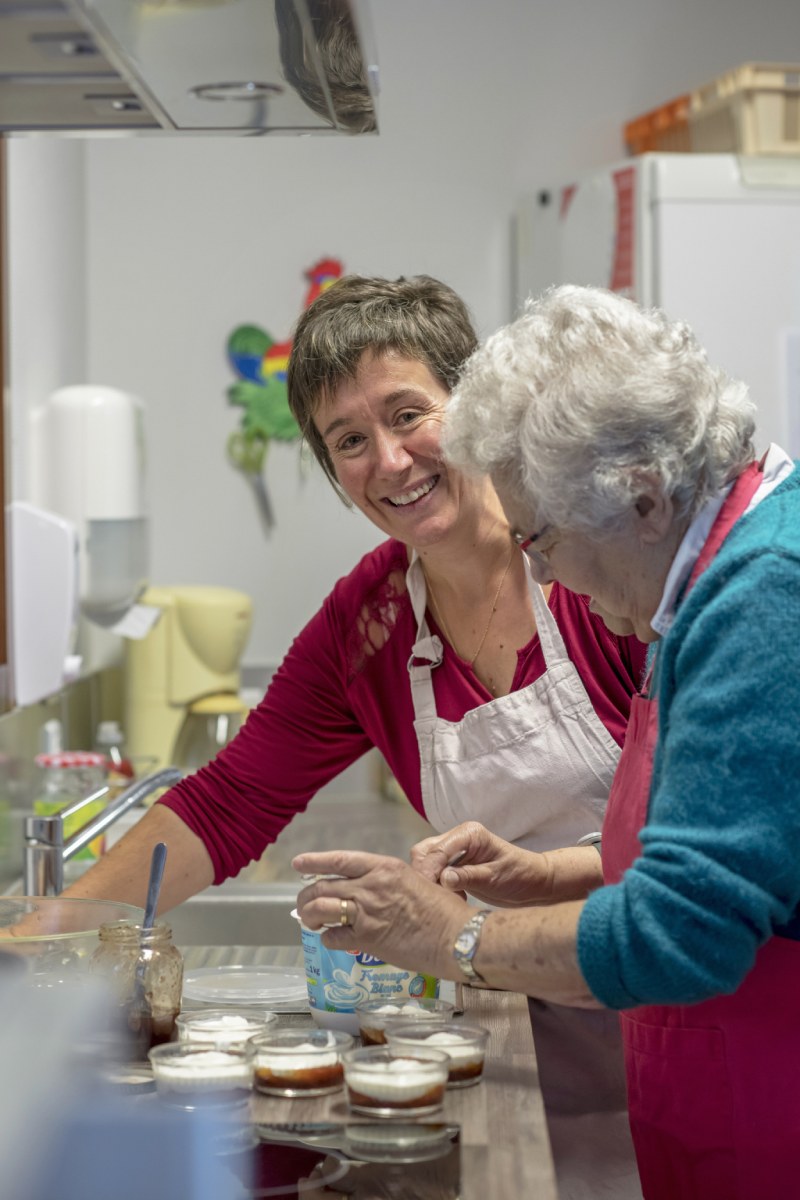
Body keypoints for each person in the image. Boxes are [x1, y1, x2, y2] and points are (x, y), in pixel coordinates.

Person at [64, 275, 646, 1192]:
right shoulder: (369, 623)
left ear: (476, 403)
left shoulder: (597, 571)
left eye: (410, 414)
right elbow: (228, 802)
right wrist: (53, 937)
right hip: (512, 1040)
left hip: (681, 1014)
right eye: (349, 442)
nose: (391, 460)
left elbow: (700, 839)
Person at [294, 283, 800, 1200]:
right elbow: (744, 851)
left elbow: (682, 933)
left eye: (544, 538)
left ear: (641, 496)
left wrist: (459, 937)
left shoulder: (764, 598)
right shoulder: (713, 575)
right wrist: (550, 872)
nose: (540, 568)